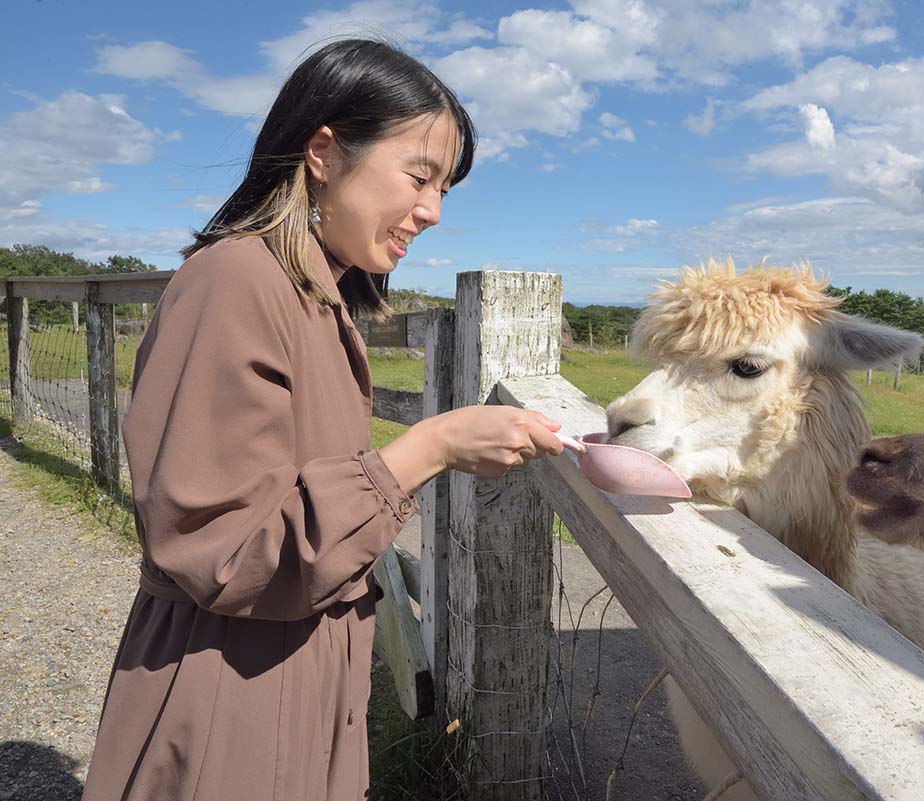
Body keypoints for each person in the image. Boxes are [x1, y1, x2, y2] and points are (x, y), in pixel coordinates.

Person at [81, 39, 565, 801]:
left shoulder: (314, 296)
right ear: (322, 151)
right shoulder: (237, 281)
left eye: (445, 188)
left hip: (295, 691)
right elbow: (227, 553)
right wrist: (429, 447)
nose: (433, 210)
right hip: (230, 702)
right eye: (420, 175)